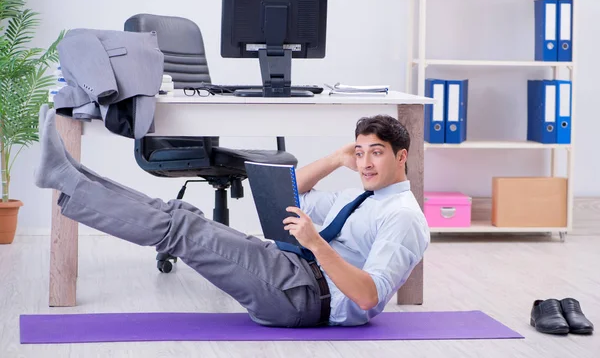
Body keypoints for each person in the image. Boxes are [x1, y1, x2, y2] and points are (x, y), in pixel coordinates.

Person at [35, 109, 430, 328]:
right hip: (290, 269)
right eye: (359, 152)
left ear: (401, 157)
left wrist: (315, 244)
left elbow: (369, 296)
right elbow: (297, 195)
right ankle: (74, 175)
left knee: (182, 230)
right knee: (180, 214)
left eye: (376, 152)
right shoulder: (361, 194)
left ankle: (67, 180)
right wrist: (334, 159)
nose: (365, 163)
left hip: (302, 296)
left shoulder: (403, 217)